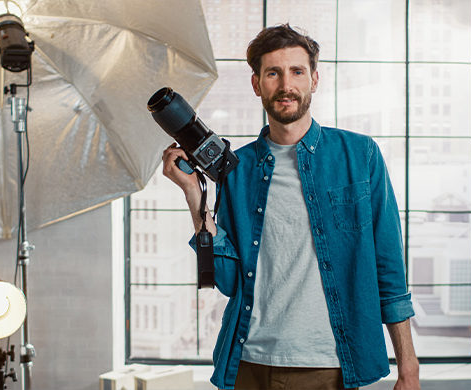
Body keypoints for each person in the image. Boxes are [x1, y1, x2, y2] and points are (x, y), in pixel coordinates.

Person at [162, 24, 420, 390]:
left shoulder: (360, 156)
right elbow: (228, 281)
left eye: (297, 72)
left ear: (314, 79)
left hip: (329, 366)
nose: (286, 85)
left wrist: (409, 367)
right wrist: (194, 197)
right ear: (257, 85)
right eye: (273, 73)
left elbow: (389, 268)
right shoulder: (237, 169)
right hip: (248, 364)